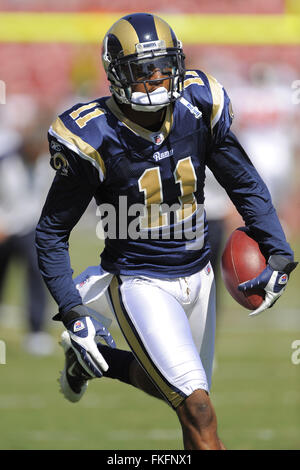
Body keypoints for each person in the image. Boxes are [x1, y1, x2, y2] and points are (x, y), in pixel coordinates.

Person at [35, 13, 297, 450]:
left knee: (172, 392)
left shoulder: (198, 106)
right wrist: (72, 310)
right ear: (117, 75)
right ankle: (93, 304)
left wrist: (279, 251)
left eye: (163, 67)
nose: (156, 80)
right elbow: (50, 234)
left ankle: (92, 364)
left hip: (201, 275)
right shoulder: (95, 136)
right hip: (140, 281)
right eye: (142, 71)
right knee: (198, 408)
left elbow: (244, 181)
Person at [0, 112, 54, 355]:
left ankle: (36, 330)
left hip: (29, 227)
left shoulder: (48, 164)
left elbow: (41, 200)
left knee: (36, 269)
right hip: (3, 226)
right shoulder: (6, 162)